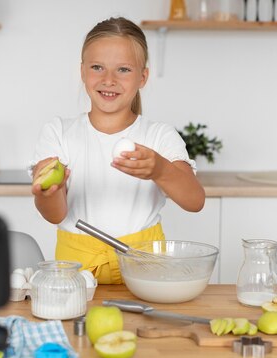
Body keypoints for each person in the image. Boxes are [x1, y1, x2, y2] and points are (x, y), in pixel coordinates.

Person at [31, 16, 205, 284]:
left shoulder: (159, 135)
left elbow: (195, 201)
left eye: (123, 69)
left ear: (143, 77)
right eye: (97, 67)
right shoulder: (59, 132)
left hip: (145, 267)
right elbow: (54, 214)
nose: (108, 79)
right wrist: (48, 193)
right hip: (77, 273)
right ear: (82, 71)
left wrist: (160, 169)